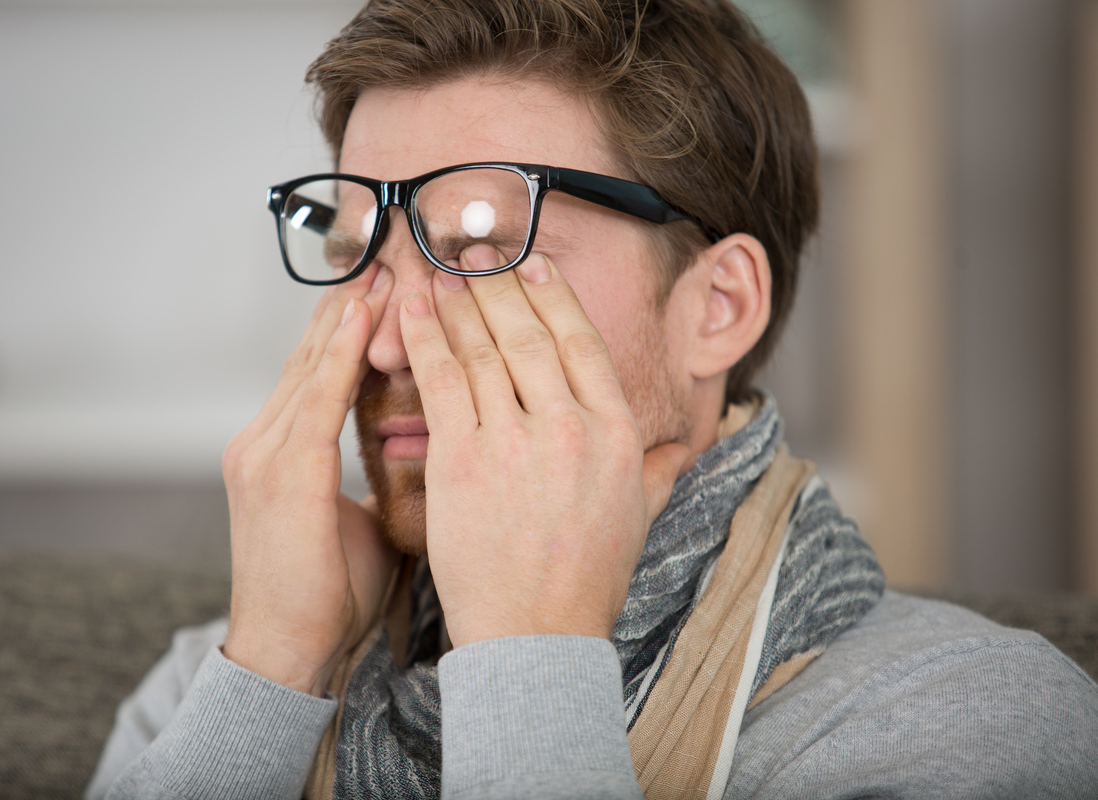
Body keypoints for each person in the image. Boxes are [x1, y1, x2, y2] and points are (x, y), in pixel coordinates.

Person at [86, 1, 1098, 798]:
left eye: (482, 246)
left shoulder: (965, 724)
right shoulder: (223, 684)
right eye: (357, 253)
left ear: (718, 307)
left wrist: (531, 658)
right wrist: (265, 677)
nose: (387, 337)